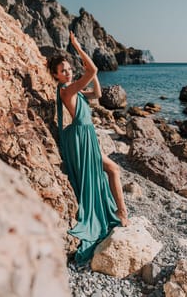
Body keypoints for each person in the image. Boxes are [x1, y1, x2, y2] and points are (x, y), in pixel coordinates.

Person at [47, 31, 129, 265]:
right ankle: (122, 214)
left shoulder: (74, 89)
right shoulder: (66, 90)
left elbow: (98, 93)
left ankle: (120, 212)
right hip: (82, 139)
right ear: (55, 75)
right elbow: (92, 70)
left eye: (68, 69)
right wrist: (78, 47)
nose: (68, 72)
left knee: (112, 170)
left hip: (87, 137)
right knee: (113, 170)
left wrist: (87, 71)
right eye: (62, 71)